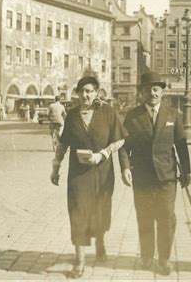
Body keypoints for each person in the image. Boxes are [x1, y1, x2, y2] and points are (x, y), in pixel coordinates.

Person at [50, 76, 126, 278]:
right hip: (78, 174)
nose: (86, 95)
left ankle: (100, 242)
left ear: (97, 92)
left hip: (102, 172)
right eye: (82, 91)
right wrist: (55, 168)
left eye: (90, 91)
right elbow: (63, 144)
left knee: (100, 211)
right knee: (78, 213)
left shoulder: (108, 112)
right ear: (77, 93)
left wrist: (102, 154)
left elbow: (119, 140)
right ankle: (80, 261)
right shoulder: (73, 115)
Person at [118, 72, 191, 276]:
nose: (152, 93)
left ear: (162, 91)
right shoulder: (133, 116)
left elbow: (181, 146)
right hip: (141, 176)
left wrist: (187, 171)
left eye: (156, 89)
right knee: (145, 218)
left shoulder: (172, 115)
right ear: (141, 92)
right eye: (148, 89)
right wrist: (125, 167)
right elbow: (124, 145)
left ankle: (164, 259)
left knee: (167, 218)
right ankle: (147, 256)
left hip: (166, 177)